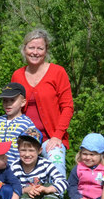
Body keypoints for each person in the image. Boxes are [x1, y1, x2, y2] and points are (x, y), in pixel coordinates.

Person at [11, 29, 74, 177]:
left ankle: (54, 198)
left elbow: (67, 107)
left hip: (51, 138)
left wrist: (57, 136)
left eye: (40, 48)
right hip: (24, 138)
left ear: (46, 51)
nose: (35, 52)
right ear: (24, 49)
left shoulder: (57, 72)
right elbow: (12, 106)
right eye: (31, 47)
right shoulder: (17, 75)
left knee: (56, 164)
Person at [10, 128, 67, 199]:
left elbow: (63, 181)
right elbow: (10, 187)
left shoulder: (45, 164)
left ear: (39, 151)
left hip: (43, 197)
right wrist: (25, 190)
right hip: (27, 198)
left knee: (51, 197)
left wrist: (49, 189)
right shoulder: (15, 167)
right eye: (23, 150)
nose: (27, 154)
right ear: (18, 150)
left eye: (31, 150)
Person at [0, 82, 35, 163]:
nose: (8, 104)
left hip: (16, 168)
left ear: (23, 102)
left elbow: (32, 148)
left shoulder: (27, 123)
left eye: (12, 100)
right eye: (5, 100)